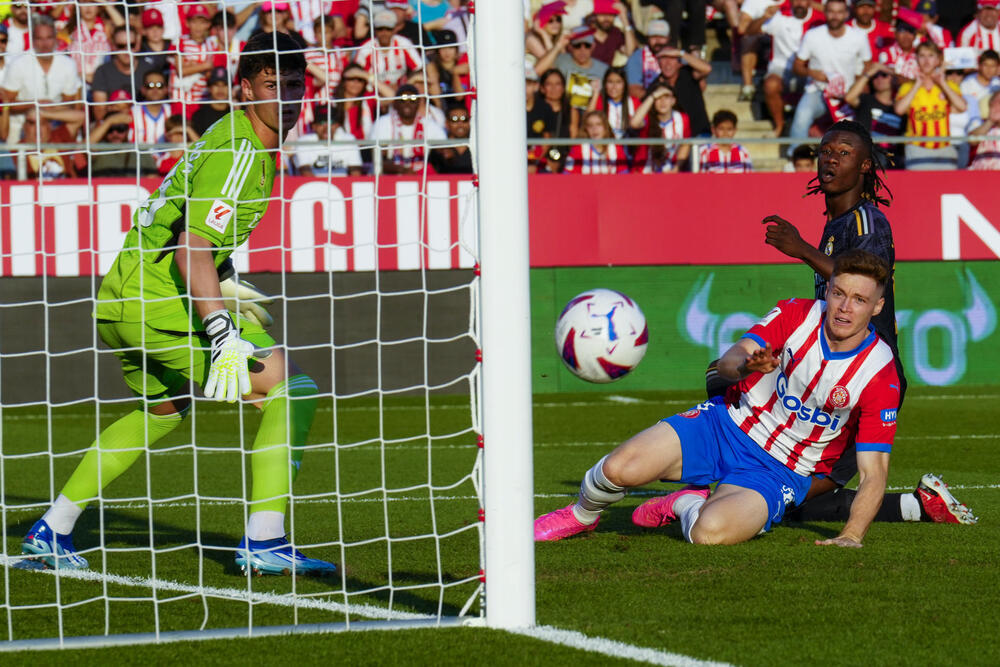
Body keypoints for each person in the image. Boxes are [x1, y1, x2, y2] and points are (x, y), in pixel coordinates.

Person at [20, 31, 339, 577]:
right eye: (271, 84)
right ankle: (265, 539)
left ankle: (53, 527)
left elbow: (195, 241)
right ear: (244, 89)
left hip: (123, 298)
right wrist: (221, 332)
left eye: (294, 83)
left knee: (161, 411)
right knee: (293, 389)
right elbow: (192, 247)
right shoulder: (241, 150)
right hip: (156, 299)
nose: (285, 95)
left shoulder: (240, 141)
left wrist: (227, 285)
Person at [536, 249, 902, 548]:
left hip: (780, 472)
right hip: (724, 424)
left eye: (859, 300)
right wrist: (745, 366)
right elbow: (727, 361)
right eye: (838, 293)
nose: (843, 307)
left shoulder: (880, 373)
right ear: (828, 290)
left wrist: (851, 535)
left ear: (877, 307)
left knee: (708, 534)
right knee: (618, 470)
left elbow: (874, 472)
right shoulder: (796, 314)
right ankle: (581, 516)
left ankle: (685, 502)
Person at [754, 120, 975, 525]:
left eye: (843, 152)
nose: (830, 159)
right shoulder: (837, 225)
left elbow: (868, 280)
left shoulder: (867, 222)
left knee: (788, 494)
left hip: (866, 380)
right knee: (789, 496)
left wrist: (801, 249)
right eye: (824, 151)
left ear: (866, 166)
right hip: (833, 374)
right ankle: (919, 505)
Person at [789, 0, 871, 148]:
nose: (835, 16)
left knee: (857, 128)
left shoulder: (858, 37)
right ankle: (795, 158)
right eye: (831, 12)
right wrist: (812, 73)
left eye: (839, 12)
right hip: (818, 90)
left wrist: (860, 86)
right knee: (802, 115)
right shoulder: (812, 35)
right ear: (825, 12)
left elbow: (868, 66)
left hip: (848, 94)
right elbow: (797, 66)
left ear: (846, 14)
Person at [1, 15, 83, 149]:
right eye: (40, 39)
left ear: (56, 39)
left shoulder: (68, 64)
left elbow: (69, 105)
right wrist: (35, 104)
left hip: (55, 126)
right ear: (33, 40)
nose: (45, 44)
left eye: (49, 38)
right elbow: (7, 103)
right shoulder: (19, 64)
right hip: (22, 127)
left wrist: (46, 109)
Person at [746, 0, 821, 137]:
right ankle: (779, 126)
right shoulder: (780, 17)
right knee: (771, 85)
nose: (800, 3)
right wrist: (764, 17)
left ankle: (816, 129)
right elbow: (749, 31)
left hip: (810, 71)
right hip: (782, 68)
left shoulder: (819, 19)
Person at [894, 41, 967, 170]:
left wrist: (942, 83)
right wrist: (917, 84)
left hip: (944, 147)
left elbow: (962, 107)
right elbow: (899, 110)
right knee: (918, 189)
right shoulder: (908, 87)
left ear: (938, 60)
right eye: (922, 56)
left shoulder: (948, 86)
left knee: (946, 188)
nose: (926, 60)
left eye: (931, 55)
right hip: (917, 148)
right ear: (916, 60)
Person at [369, 82, 446, 174]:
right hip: (389, 176)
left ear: (418, 103)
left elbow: (443, 153)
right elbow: (379, 160)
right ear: (396, 103)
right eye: (403, 100)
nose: (407, 103)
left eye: (412, 100)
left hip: (422, 175)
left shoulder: (430, 125)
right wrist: (403, 170)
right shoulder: (383, 123)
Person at [845, 61, 905, 169]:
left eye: (884, 75)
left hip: (893, 157)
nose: (879, 79)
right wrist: (869, 73)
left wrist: (892, 72)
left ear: (893, 79)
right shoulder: (866, 100)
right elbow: (849, 97)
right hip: (869, 154)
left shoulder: (900, 107)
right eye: (875, 76)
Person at [648, 46, 711, 137]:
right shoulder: (655, 86)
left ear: (679, 63)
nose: (668, 63)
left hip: (700, 133)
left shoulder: (688, 74)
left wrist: (680, 53)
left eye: (672, 58)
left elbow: (707, 69)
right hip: (675, 136)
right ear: (658, 63)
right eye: (664, 58)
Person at [354, 9, 422, 93]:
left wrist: (405, 85)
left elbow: (418, 68)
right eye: (380, 29)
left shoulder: (404, 44)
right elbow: (355, 72)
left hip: (401, 94)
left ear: (394, 29)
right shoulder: (366, 49)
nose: (384, 33)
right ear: (375, 30)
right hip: (372, 94)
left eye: (388, 29)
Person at [92, 26, 152, 121]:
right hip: (114, 126)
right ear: (113, 46)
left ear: (138, 45)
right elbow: (100, 113)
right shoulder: (102, 71)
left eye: (131, 45)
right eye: (121, 46)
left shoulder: (149, 70)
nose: (127, 50)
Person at [630, 82, 690, 172]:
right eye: (659, 98)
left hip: (670, 173)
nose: (662, 102)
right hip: (645, 173)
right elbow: (634, 123)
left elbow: (685, 145)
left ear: (673, 101)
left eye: (666, 97)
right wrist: (652, 96)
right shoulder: (647, 118)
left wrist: (676, 168)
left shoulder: (682, 119)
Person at [292, 103, 364, 176]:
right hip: (314, 185)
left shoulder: (349, 140)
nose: (326, 128)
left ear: (337, 125)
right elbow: (306, 173)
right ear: (314, 126)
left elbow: (356, 173)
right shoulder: (304, 142)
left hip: (343, 185)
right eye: (322, 123)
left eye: (331, 122)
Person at [563, 109, 629, 173]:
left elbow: (624, 174)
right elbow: (568, 175)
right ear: (586, 129)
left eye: (598, 124)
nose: (594, 129)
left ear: (605, 128)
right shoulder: (578, 149)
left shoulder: (616, 148)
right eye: (590, 125)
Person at [623, 19, 671, 98]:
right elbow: (634, 89)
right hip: (647, 102)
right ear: (648, 38)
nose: (658, 41)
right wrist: (658, 100)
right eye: (654, 37)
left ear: (669, 38)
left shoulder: (676, 56)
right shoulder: (637, 57)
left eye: (662, 37)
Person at [587, 66, 639, 139]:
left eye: (618, 82)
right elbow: (587, 121)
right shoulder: (599, 100)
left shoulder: (634, 102)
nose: (614, 87)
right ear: (605, 84)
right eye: (610, 82)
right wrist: (595, 93)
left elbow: (640, 125)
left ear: (625, 84)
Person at [587, 0, 637, 66]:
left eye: (611, 14)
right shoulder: (585, 33)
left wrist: (625, 20)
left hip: (606, 74)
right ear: (595, 16)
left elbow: (630, 52)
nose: (607, 18)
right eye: (603, 14)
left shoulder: (615, 33)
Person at [428, 103, 472, 174]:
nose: (460, 124)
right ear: (446, 123)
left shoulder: (478, 149)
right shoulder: (438, 150)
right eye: (454, 119)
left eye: (464, 119)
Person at [191, 66, 234, 135]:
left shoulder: (235, 113)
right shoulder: (199, 116)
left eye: (225, 85)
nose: (220, 89)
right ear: (209, 88)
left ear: (231, 88)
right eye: (216, 84)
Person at [968, 89, 1000, 168]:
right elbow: (972, 141)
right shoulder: (980, 123)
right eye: (998, 102)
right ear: (991, 105)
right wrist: (990, 121)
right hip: (981, 175)